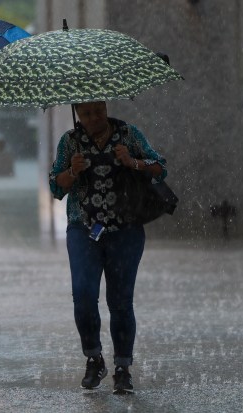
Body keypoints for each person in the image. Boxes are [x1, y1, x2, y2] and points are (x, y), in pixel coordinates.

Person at [48, 101, 167, 394]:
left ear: (105, 105)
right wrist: (72, 172)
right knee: (84, 296)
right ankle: (94, 358)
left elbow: (160, 168)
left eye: (98, 111)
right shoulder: (69, 142)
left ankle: (123, 369)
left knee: (121, 302)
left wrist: (133, 162)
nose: (93, 118)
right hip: (83, 230)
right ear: (77, 112)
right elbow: (55, 187)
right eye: (86, 114)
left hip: (126, 230)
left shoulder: (128, 134)